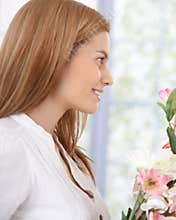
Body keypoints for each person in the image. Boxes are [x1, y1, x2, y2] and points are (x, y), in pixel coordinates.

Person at [0, 0, 113, 219]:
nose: (109, 79)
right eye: (99, 60)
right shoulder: (9, 144)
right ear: (56, 55)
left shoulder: (70, 157)